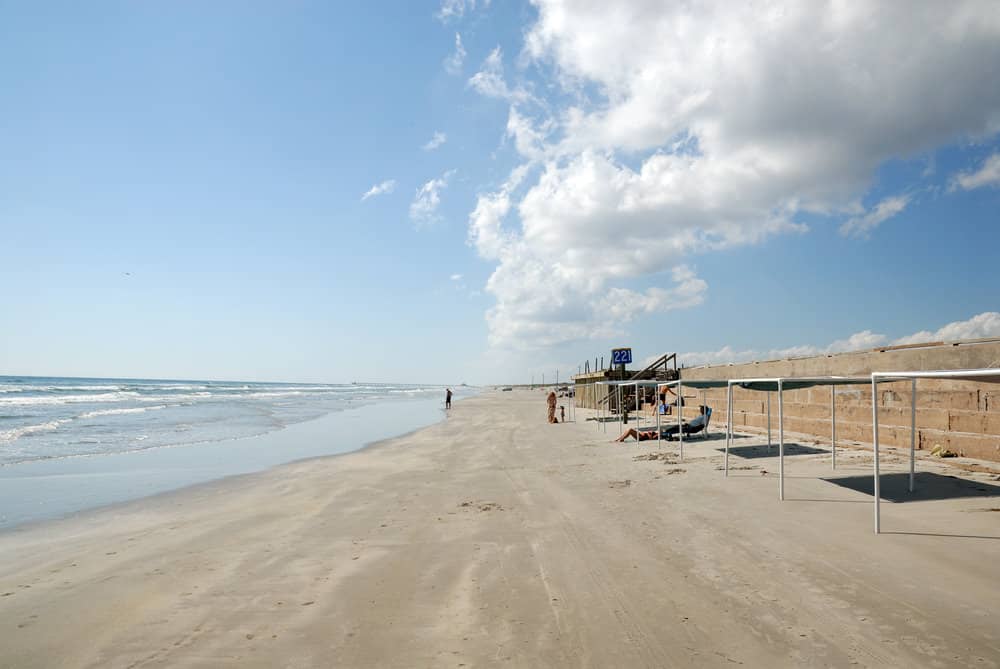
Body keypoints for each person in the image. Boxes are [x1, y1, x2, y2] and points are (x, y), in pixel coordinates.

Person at [614, 406, 708, 442]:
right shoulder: (702, 416)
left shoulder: (704, 417)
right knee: (675, 428)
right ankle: (619, 439)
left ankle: (620, 439)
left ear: (704, 410)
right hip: (688, 426)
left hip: (690, 427)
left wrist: (698, 427)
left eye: (702, 409)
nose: (700, 409)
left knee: (630, 430)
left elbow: (703, 425)